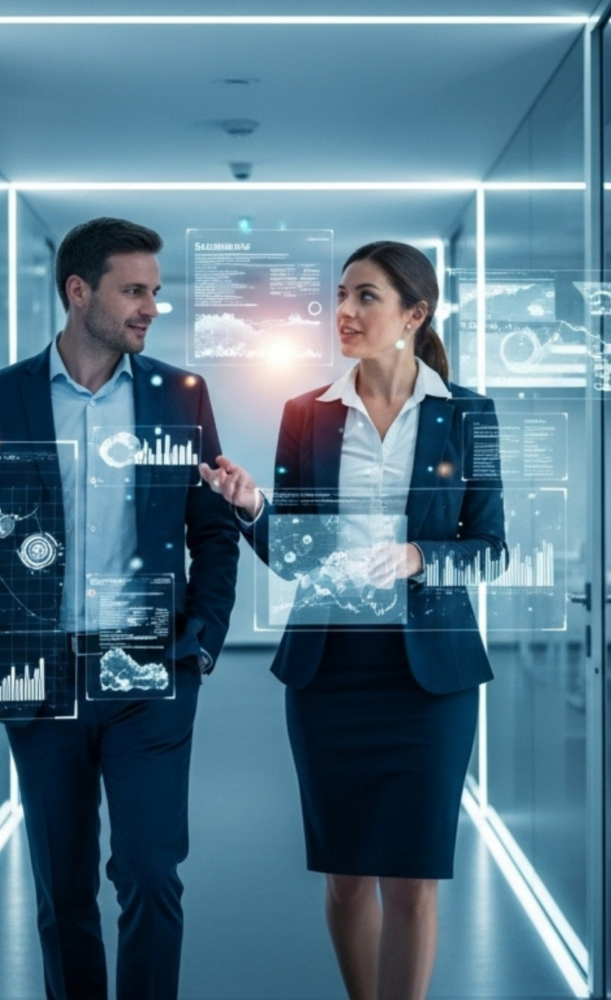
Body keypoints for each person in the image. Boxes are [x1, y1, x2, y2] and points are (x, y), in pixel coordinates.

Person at [0, 217, 240, 1000]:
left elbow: (214, 530)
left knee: (149, 873)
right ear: (79, 291)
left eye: (155, 293)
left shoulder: (182, 396)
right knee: (63, 890)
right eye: (134, 291)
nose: (150, 308)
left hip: (150, 672)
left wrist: (200, 643)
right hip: (39, 677)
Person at [200, 241, 506, 1000]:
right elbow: (296, 556)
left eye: (366, 297)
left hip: (429, 682)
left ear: (415, 313)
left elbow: (492, 550)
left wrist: (417, 556)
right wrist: (251, 509)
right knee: (344, 880)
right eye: (340, 295)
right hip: (330, 673)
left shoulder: (469, 415)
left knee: (412, 884)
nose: (344, 312)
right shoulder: (305, 415)